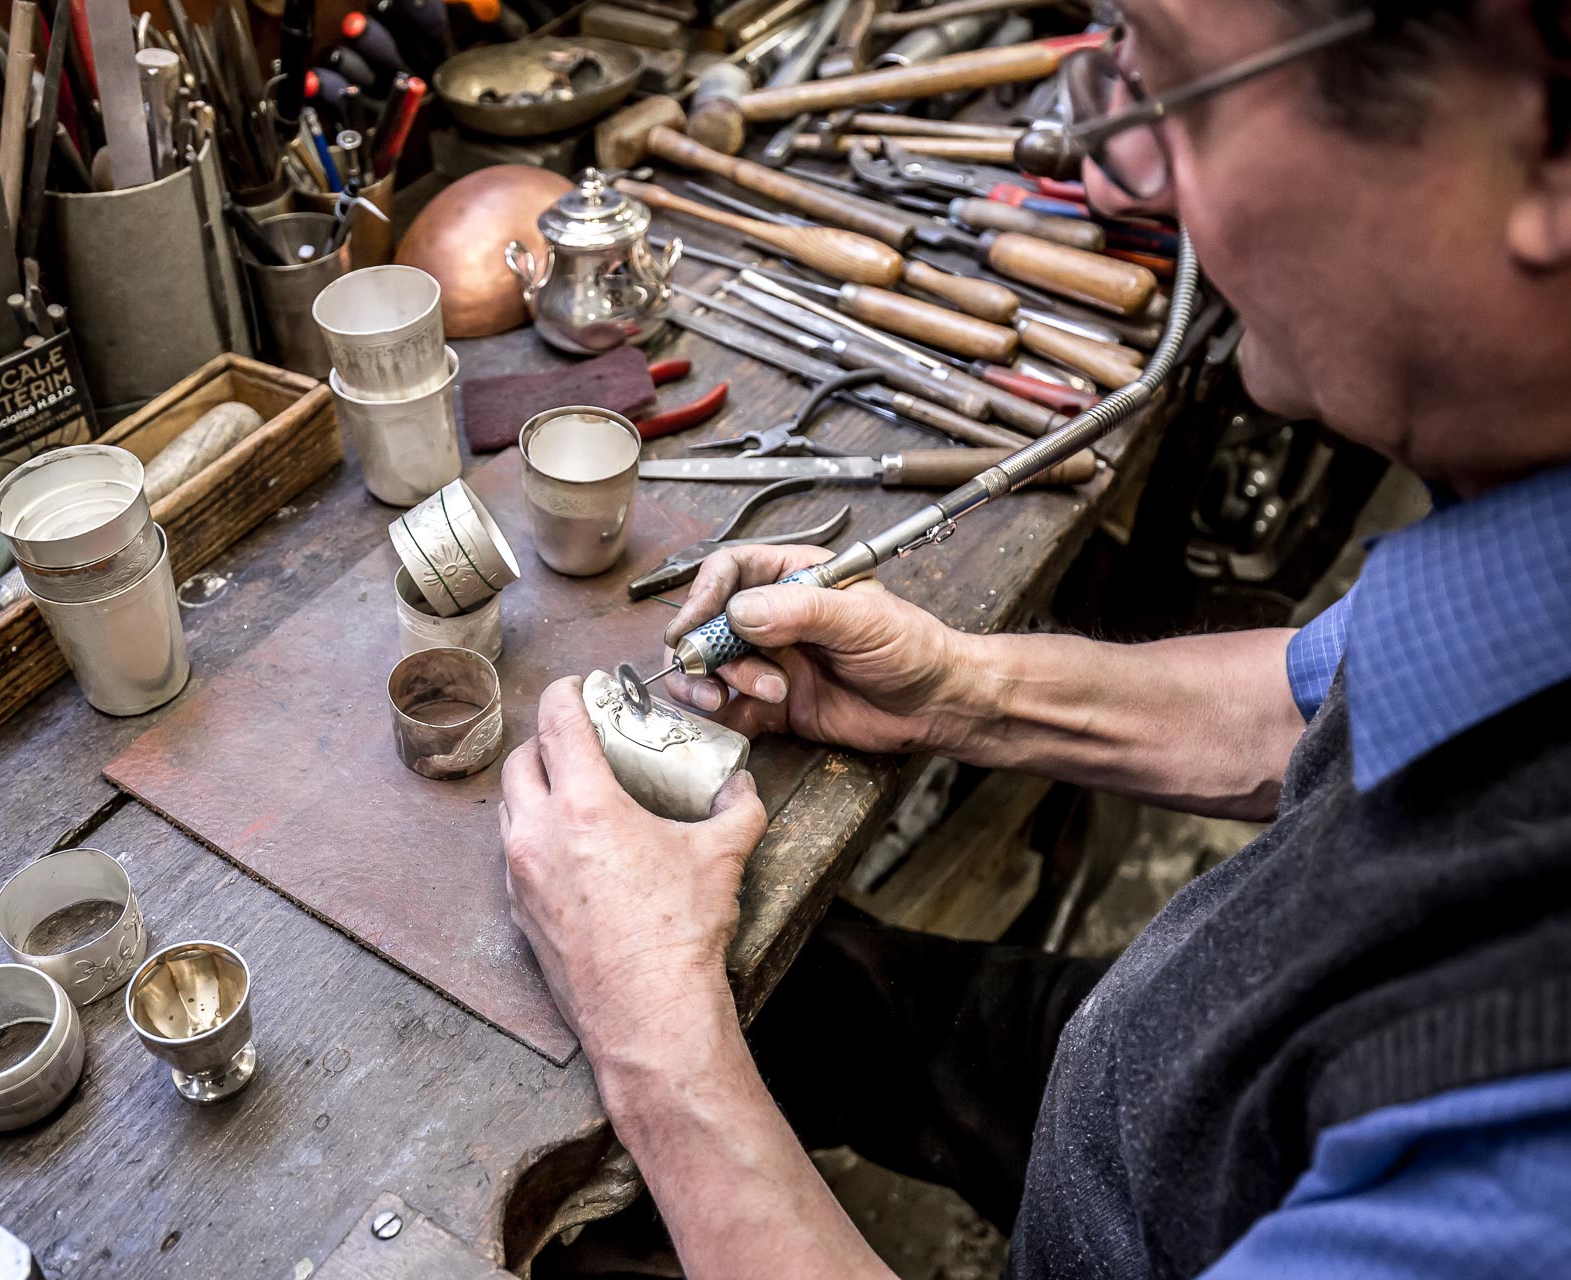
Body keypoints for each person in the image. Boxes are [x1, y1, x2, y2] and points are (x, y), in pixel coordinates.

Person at [498, 0, 1571, 1275]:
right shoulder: (1532, 531)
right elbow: (1313, 701)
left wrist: (659, 1044)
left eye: (1177, 90)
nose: (1123, 183)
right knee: (809, 987)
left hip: (1207, 1184)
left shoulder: (1517, 1151)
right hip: (1168, 1069)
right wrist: (960, 688)